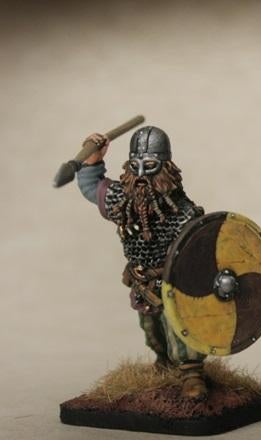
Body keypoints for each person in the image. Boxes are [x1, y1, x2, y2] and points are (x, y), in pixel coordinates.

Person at [76, 126, 208, 399]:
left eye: (149, 166)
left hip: (176, 285)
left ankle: (192, 374)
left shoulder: (182, 211)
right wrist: (93, 161)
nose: (141, 174)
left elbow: (197, 252)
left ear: (165, 168)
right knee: (152, 329)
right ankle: (164, 361)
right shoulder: (122, 201)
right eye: (134, 166)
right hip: (143, 283)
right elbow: (91, 187)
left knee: (180, 328)